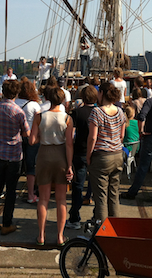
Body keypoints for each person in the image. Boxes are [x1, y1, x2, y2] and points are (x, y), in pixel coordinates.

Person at [29, 87, 73, 246]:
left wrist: (42, 135)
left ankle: (41, 235)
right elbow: (69, 144)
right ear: (62, 100)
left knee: (43, 198)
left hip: (44, 155)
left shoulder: (39, 117)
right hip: (61, 154)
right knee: (61, 199)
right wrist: (69, 166)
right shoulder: (67, 118)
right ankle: (60, 236)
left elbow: (32, 140)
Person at [0, 80, 30, 236]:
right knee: (11, 191)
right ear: (16, 93)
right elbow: (26, 133)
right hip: (13, 154)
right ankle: (7, 222)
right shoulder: (18, 111)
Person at [87, 82, 126, 221]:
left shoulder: (97, 112)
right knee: (114, 195)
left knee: (101, 197)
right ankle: (116, 228)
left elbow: (92, 137)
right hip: (117, 154)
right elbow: (122, 135)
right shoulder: (120, 111)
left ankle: (102, 231)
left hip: (102, 156)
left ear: (102, 93)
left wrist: (88, 156)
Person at [66, 85, 97, 231]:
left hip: (80, 152)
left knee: (78, 186)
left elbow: (71, 135)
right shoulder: (99, 112)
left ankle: (74, 217)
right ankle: (97, 216)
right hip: (96, 152)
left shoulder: (77, 113)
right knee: (97, 185)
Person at [15, 80, 41, 204]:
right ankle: (31, 194)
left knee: (17, 166)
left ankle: (12, 191)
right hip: (31, 137)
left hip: (16, 137)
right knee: (31, 167)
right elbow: (39, 121)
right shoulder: (34, 105)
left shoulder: (14, 103)